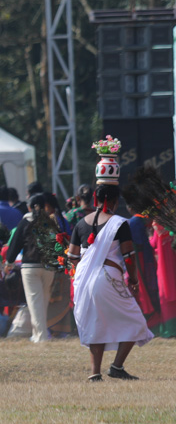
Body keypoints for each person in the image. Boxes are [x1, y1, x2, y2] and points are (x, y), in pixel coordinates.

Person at [66, 143, 152, 381]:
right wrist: (133, 280)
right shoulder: (119, 223)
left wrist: (80, 276)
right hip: (108, 279)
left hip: (83, 280)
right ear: (114, 200)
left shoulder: (81, 223)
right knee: (136, 322)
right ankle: (116, 367)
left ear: (95, 197)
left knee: (96, 324)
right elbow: (128, 256)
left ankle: (95, 373)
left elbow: (72, 257)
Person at [4, 193, 55, 343]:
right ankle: (38, 333)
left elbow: (15, 244)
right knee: (43, 301)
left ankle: (41, 336)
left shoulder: (25, 222)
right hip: (48, 266)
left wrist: (9, 262)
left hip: (30, 267)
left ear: (29, 207)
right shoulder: (50, 222)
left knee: (35, 302)